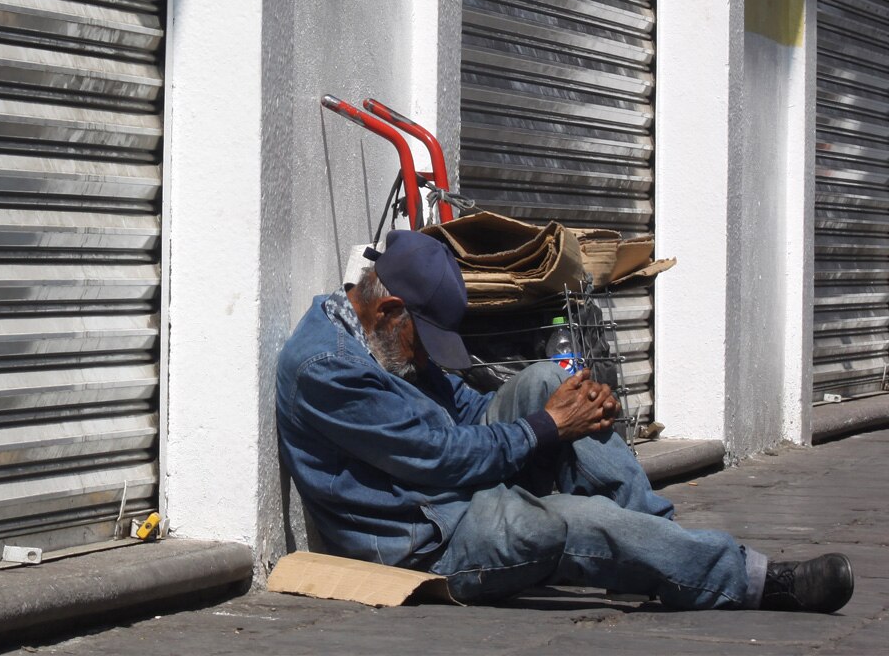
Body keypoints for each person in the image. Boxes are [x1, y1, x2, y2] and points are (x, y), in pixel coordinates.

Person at [276, 230, 854, 612]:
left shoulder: (383, 336)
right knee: (582, 520)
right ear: (388, 309)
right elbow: (439, 458)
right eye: (422, 340)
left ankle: (666, 543)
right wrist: (548, 429)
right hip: (428, 534)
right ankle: (751, 583)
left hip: (450, 486)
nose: (425, 355)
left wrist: (565, 409)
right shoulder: (328, 370)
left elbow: (467, 411)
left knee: (552, 379)